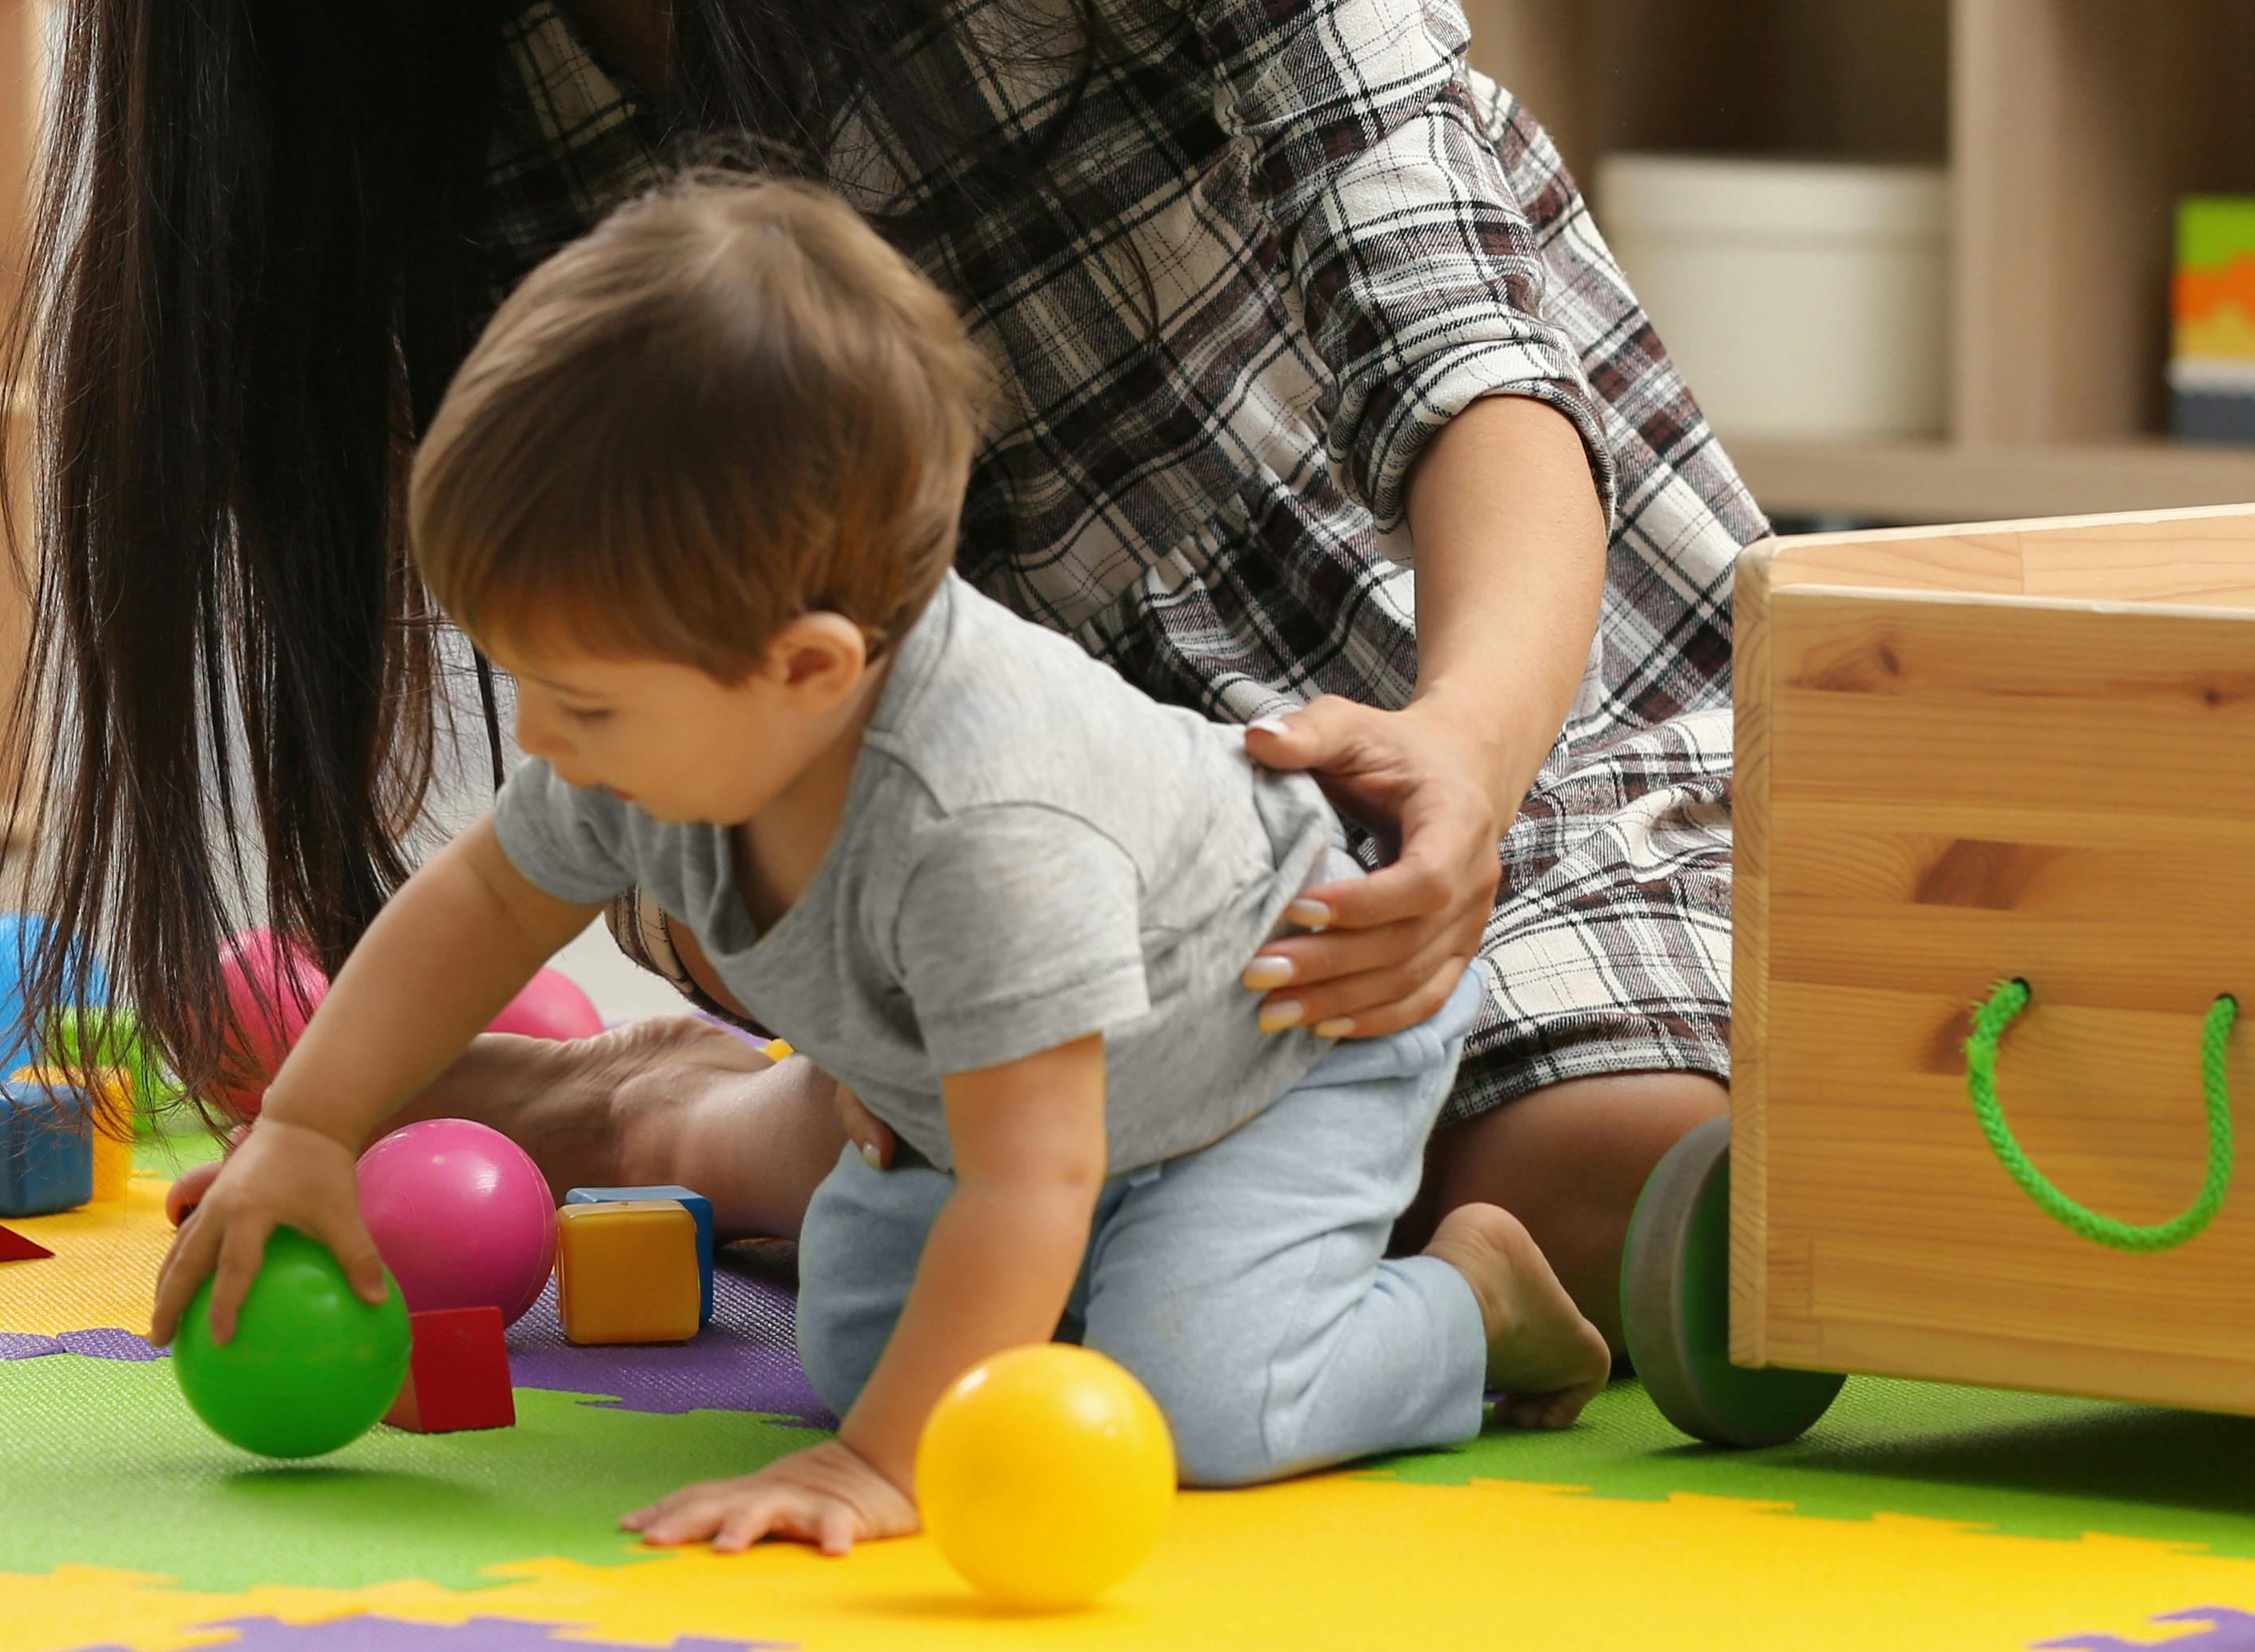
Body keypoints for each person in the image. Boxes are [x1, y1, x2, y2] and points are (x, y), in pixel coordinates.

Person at [14, 0, 1761, 1335]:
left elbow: (1452, 315)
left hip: (1528, 701)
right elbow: (629, 701)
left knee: (1631, 1166)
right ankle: (710, 1120)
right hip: (980, 857)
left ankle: (682, 1135)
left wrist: (1462, 748)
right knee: (1126, 1202)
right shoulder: (421, 115)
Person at [152, 175, 1611, 1548]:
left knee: (1195, 1404)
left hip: (1276, 1053)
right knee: (864, 1362)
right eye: (519, 677)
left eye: (580, 700)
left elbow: (1035, 1173)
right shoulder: (681, 712)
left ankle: (1472, 1305)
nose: (539, 734)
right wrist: (309, 1127)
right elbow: (484, 899)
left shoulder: (986, 831)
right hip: (1012, 1097)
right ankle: (1116, 1292)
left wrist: (885, 1469)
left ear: (807, 669)